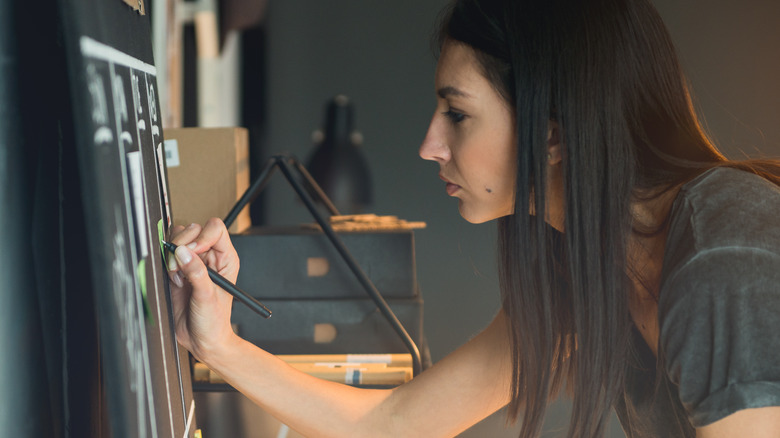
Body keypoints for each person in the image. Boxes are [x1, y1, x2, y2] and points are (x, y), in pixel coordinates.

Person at [166, 0, 780, 436]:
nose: (430, 145)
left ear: (553, 133)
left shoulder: (721, 263)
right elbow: (393, 426)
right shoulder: (584, 272)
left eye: (457, 115)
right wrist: (216, 343)